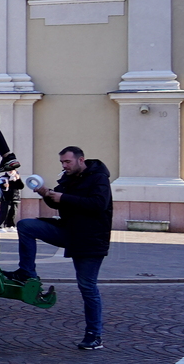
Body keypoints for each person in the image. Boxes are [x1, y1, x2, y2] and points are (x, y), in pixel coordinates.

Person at [10, 146, 112, 350]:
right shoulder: (68, 178)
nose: (64, 166)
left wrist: (63, 198)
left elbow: (98, 204)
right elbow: (58, 205)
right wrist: (46, 194)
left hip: (90, 240)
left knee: (87, 287)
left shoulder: (99, 178)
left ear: (80, 160)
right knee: (26, 226)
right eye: (62, 163)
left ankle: (94, 335)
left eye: (67, 162)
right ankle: (26, 273)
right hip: (69, 231)